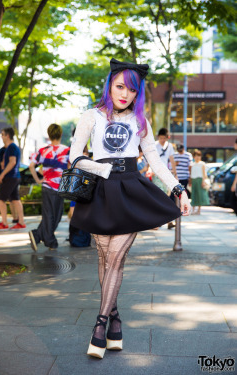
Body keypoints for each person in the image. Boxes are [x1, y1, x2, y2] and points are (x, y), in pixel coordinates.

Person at [69, 58, 191, 359]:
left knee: (115, 258)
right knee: (105, 259)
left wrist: (178, 189)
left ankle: (99, 326)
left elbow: (155, 160)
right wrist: (103, 171)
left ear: (138, 94)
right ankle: (115, 318)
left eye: (132, 90)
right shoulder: (91, 117)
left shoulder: (140, 122)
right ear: (109, 85)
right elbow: (74, 157)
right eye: (120, 86)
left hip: (129, 190)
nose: (125, 94)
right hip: (100, 190)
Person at [28, 124, 70, 252]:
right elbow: (69, 169)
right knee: (55, 216)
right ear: (61, 134)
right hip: (59, 187)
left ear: (49, 135)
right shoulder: (67, 150)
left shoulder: (42, 150)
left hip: (46, 186)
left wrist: (38, 180)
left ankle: (37, 235)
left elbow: (31, 166)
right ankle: (51, 242)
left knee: (49, 215)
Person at [0, 128, 26, 230]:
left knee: (0, 199)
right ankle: (21, 222)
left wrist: (2, 174)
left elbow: (13, 162)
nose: (1, 136)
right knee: (15, 199)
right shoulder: (11, 147)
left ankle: (4, 223)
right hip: (15, 177)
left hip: (10, 177)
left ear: (7, 136)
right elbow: (10, 162)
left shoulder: (11, 147)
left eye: (2, 134)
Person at [153, 127, 178, 229]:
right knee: (158, 197)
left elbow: (172, 160)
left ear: (167, 138)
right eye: (161, 138)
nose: (162, 140)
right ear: (158, 137)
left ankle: (167, 220)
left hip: (166, 174)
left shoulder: (170, 147)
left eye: (164, 138)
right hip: (156, 174)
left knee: (165, 198)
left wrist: (175, 174)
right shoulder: (154, 145)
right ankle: (158, 222)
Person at [190, 149, 210, 214]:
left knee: (199, 195)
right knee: (193, 195)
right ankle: (193, 210)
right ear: (194, 157)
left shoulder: (202, 164)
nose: (197, 157)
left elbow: (204, 174)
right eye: (196, 156)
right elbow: (191, 174)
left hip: (200, 180)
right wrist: (190, 181)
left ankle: (198, 210)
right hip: (194, 180)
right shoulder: (192, 164)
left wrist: (203, 181)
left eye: (199, 155)